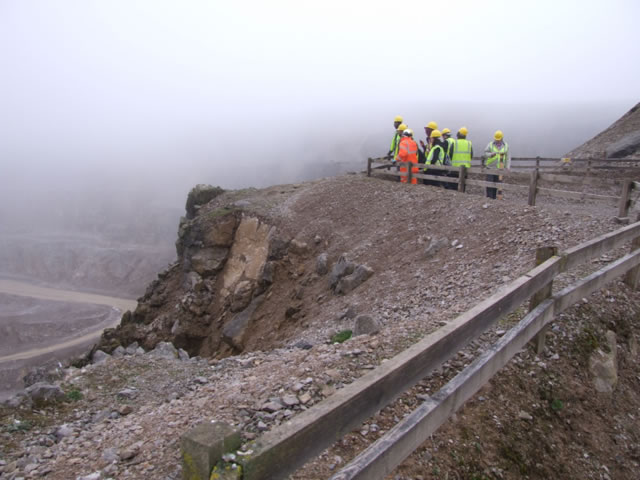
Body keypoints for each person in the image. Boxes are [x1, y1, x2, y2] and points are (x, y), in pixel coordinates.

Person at [483, 130, 510, 199]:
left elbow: (507, 157)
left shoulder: (506, 146)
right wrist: (491, 154)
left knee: (497, 184)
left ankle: (494, 198)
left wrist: (507, 167)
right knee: (489, 184)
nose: (497, 141)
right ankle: (489, 198)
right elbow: (485, 154)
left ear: (502, 138)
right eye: (496, 139)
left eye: (499, 139)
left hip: (500, 169)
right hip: (490, 167)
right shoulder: (490, 145)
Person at [451, 127, 474, 192]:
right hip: (465, 169)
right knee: (463, 186)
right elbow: (471, 155)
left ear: (458, 134)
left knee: (454, 186)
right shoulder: (469, 143)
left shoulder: (455, 143)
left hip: (455, 168)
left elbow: (450, 154)